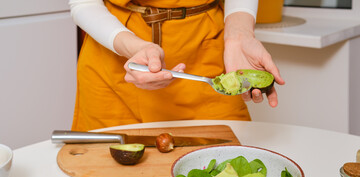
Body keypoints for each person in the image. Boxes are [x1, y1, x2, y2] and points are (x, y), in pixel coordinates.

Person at [69, 0, 285, 131]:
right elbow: (85, 4)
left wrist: (240, 35)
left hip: (206, 50)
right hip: (114, 56)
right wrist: (132, 46)